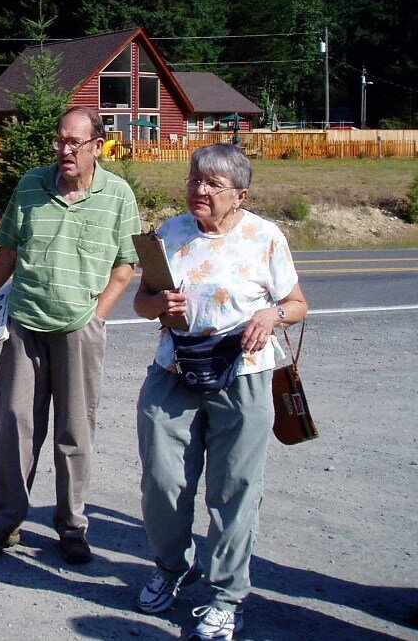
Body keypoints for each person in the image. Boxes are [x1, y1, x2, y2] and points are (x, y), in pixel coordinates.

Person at [132, 143, 308, 640]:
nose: (199, 190)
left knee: (233, 490)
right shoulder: (170, 233)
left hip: (244, 373)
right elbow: (143, 303)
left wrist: (271, 314)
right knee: (163, 481)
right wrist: (157, 303)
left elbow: (296, 304)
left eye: (213, 184)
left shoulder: (265, 237)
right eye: (194, 180)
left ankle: (226, 597)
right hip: (175, 368)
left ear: (241, 195)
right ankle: (170, 569)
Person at [0, 106, 140, 564]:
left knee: (74, 430)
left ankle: (72, 525)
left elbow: (126, 264)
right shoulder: (30, 186)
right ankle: (5, 520)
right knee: (14, 424)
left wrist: (98, 315)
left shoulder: (118, 195)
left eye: (74, 143)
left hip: (80, 330)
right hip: (23, 324)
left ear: (97, 147)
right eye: (60, 141)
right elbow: (8, 250)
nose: (64, 150)